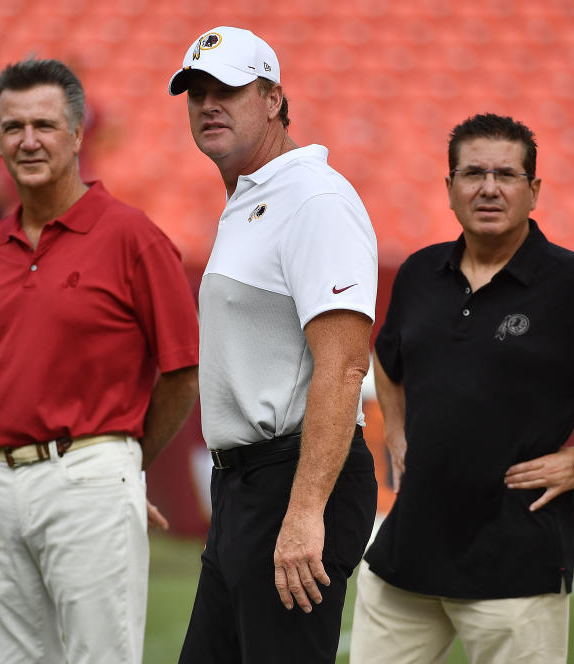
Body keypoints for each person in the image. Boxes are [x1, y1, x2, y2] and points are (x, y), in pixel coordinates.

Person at [350, 113, 574, 664]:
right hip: (405, 560)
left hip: (514, 568)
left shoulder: (573, 287)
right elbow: (386, 361)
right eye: (473, 174)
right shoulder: (418, 273)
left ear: (533, 191)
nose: (489, 188)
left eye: (506, 175)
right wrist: (396, 435)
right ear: (449, 189)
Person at [0, 58, 199, 664]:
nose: (28, 140)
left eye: (44, 124)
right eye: (13, 127)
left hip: (89, 475)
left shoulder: (133, 237)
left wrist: (120, 467)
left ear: (76, 135)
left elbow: (184, 371)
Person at [167, 26, 379, 664]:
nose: (209, 103)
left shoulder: (313, 199)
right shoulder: (253, 199)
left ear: (273, 99)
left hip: (294, 481)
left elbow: (343, 368)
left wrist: (305, 511)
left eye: (228, 89)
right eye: (196, 91)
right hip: (244, 488)